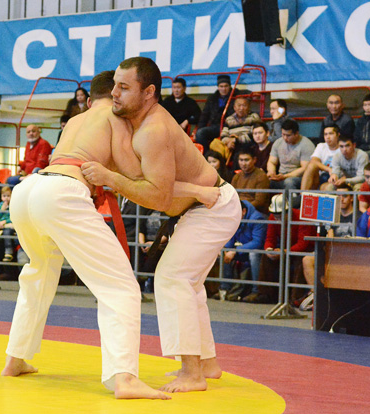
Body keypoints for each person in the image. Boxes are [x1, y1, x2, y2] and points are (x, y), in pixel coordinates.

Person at [2, 69, 173, 399]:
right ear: (115, 95)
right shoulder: (115, 116)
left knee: (38, 274)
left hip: (28, 189)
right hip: (62, 193)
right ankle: (124, 378)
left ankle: (15, 358)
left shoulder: (76, 119)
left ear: (90, 98)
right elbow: (131, 172)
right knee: (120, 286)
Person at [81, 58, 242, 393]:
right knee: (190, 285)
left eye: (124, 87)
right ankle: (207, 364)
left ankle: (193, 374)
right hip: (203, 204)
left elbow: (157, 194)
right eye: (115, 86)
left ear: (149, 92)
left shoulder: (152, 130)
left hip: (212, 207)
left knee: (172, 277)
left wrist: (111, 178)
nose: (115, 93)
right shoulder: (137, 124)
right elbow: (155, 184)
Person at [243, 194, 316, 304]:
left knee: (300, 260)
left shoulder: (301, 218)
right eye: (275, 215)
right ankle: (264, 294)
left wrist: (284, 251)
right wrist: (269, 250)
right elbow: (270, 238)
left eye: (280, 215)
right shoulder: (273, 218)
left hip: (304, 250)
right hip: (286, 248)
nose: (278, 219)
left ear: (288, 211)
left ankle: (296, 297)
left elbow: (303, 244)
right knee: (266, 257)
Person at [301, 184, 354, 311]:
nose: (341, 199)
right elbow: (327, 238)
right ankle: (317, 296)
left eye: (345, 196)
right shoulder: (331, 216)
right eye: (338, 196)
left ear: (352, 198)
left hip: (351, 254)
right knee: (307, 260)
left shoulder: (358, 215)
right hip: (333, 252)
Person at [216, 200, 267, 302]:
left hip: (258, 251)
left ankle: (256, 291)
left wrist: (235, 251)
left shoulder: (257, 219)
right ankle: (225, 289)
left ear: (243, 211)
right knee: (223, 253)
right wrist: (225, 248)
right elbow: (231, 237)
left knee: (253, 255)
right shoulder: (234, 218)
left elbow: (257, 242)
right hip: (242, 250)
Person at [267, 119, 315, 192]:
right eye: (283, 134)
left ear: (296, 134)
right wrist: (271, 172)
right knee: (263, 179)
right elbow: (271, 162)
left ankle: (292, 199)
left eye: (288, 135)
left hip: (298, 178)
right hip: (281, 175)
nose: (285, 138)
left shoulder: (306, 145)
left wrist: (286, 176)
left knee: (289, 182)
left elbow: (305, 168)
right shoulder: (278, 142)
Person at [195, 74, 235, 152]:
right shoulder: (212, 98)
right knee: (200, 133)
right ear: (218, 87)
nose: (223, 89)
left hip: (229, 127)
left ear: (230, 86)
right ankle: (206, 155)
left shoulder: (235, 96)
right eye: (221, 86)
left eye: (226, 86)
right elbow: (204, 115)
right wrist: (199, 129)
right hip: (215, 126)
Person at [231, 147, 270, 214]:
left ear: (254, 160)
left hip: (255, 212)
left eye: (246, 160)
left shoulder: (261, 176)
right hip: (238, 210)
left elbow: (259, 201)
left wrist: (243, 208)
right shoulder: (236, 177)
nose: (243, 163)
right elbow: (232, 196)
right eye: (241, 160)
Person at [300, 125, 340, 191]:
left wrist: (333, 172)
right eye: (325, 134)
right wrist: (329, 169)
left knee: (329, 186)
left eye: (331, 134)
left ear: (338, 135)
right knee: (311, 166)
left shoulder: (343, 148)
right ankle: (302, 194)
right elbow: (314, 161)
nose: (328, 137)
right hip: (320, 177)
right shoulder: (321, 146)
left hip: (336, 178)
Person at [0, 186, 15, 262]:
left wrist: (5, 222)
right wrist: (2, 210)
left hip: (9, 224)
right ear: (1, 197)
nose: (6, 198)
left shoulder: (13, 205)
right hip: (0, 224)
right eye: (4, 196)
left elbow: (13, 216)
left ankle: (8, 251)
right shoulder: (0, 205)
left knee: (6, 232)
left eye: (8, 196)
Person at [354, 93, 370, 165]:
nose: (367, 108)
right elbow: (356, 136)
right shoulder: (361, 121)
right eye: (365, 105)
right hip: (361, 149)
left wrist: (368, 147)